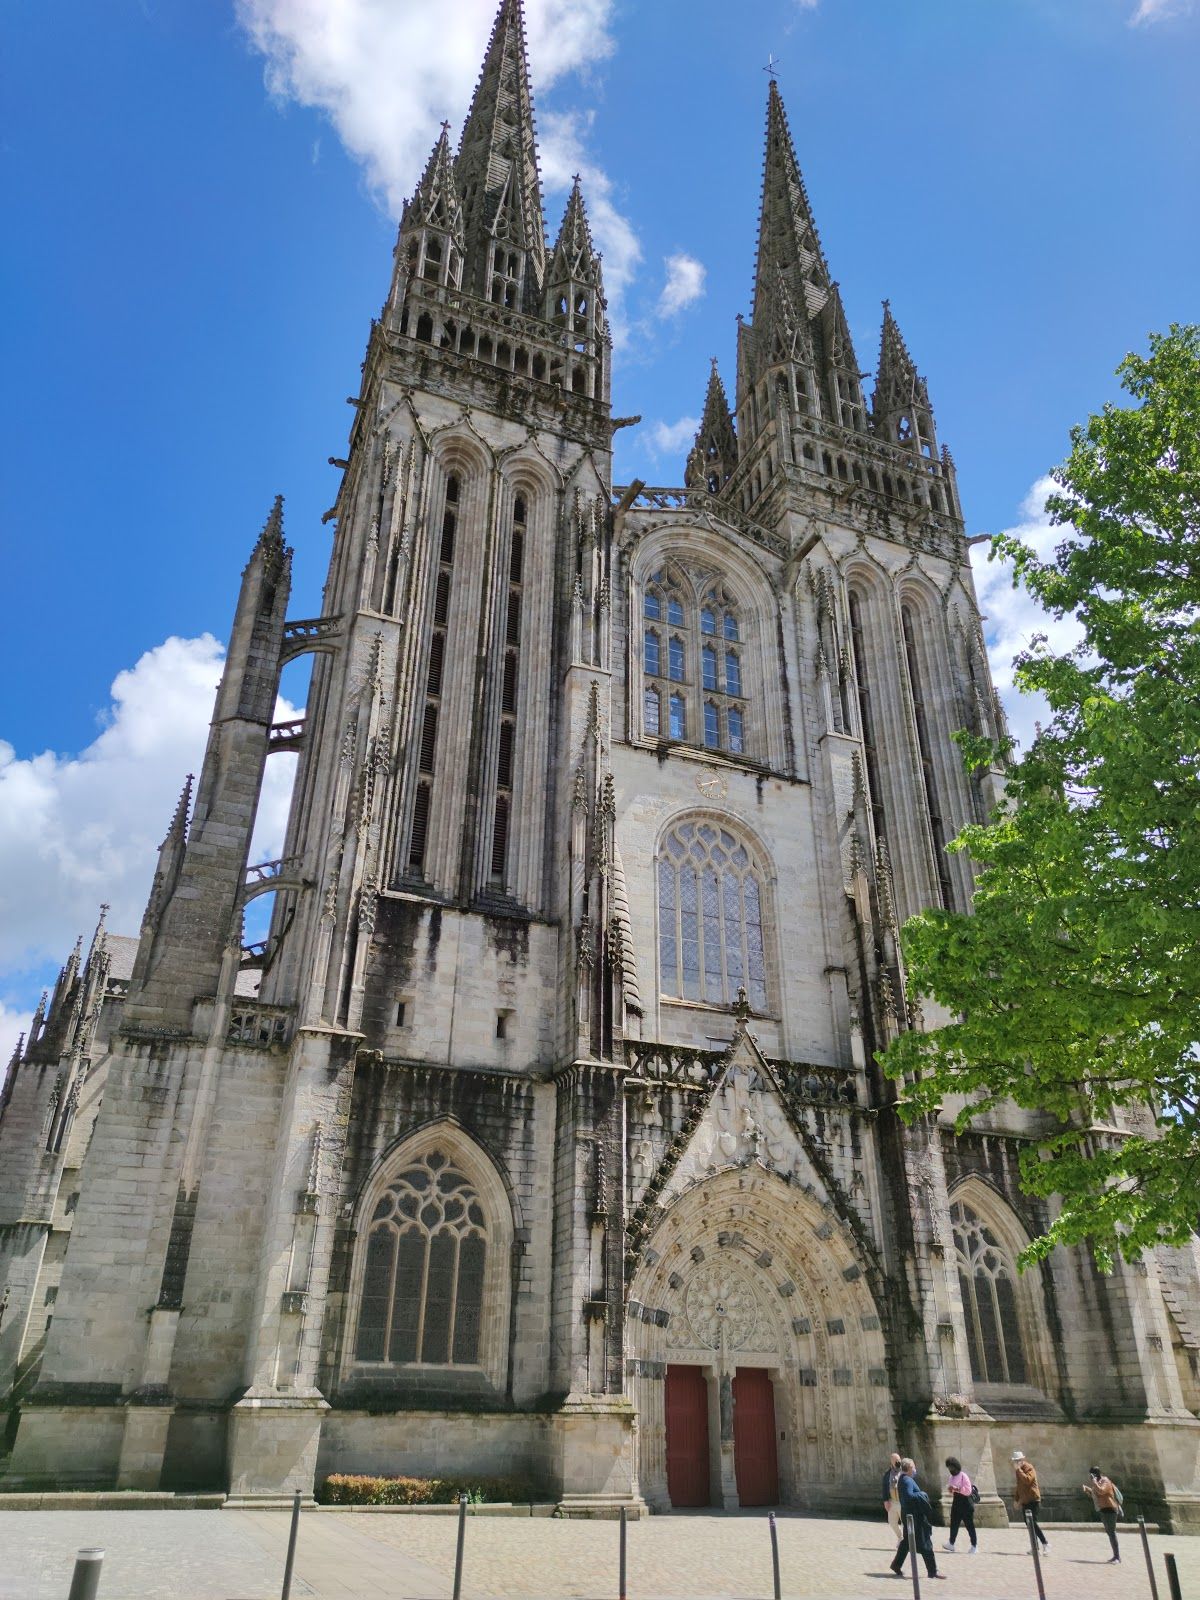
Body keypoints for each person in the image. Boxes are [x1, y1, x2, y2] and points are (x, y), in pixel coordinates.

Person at [889, 1458, 947, 1580]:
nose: (915, 1469)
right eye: (914, 1467)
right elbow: (909, 1496)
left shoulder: (903, 1479)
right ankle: (932, 1571)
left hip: (908, 1515)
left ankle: (896, 1564)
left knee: (907, 1543)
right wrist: (923, 1494)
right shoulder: (907, 1481)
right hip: (915, 1518)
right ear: (909, 1468)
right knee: (926, 1543)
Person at [1081, 1466, 1122, 1563]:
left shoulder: (1105, 1481)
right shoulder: (1098, 1483)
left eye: (1092, 1474)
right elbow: (1096, 1494)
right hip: (1103, 1509)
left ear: (1096, 1474)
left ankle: (1117, 1557)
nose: (1090, 1476)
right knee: (1109, 1533)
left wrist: (1094, 1482)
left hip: (1110, 1509)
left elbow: (1102, 1491)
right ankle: (1115, 1556)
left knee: (1112, 1532)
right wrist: (1088, 1490)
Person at [1012, 1450, 1049, 1554]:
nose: (1016, 1462)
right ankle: (1035, 1547)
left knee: (1033, 1523)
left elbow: (1027, 1480)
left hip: (1033, 1500)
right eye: (1015, 1460)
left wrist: (1019, 1470)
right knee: (1029, 1524)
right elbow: (1019, 1486)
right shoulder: (1018, 1471)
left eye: (1018, 1460)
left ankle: (1045, 1543)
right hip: (1025, 1500)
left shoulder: (1029, 1468)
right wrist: (1016, 1500)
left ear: (1022, 1459)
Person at [942, 1456, 978, 1554]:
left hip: (966, 1504)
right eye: (948, 1468)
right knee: (954, 1524)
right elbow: (951, 1489)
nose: (950, 1470)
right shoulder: (951, 1477)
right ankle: (951, 1543)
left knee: (969, 1525)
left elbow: (968, 1490)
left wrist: (957, 1489)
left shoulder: (963, 1476)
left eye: (951, 1467)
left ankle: (974, 1545)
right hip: (956, 1503)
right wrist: (950, 1489)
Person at [881, 1452, 903, 1541]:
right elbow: (884, 1486)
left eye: (898, 1460)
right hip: (892, 1501)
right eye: (895, 1460)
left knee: (905, 1522)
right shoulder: (888, 1473)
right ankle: (901, 1537)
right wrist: (886, 1500)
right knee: (892, 1522)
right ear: (891, 1462)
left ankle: (908, 1541)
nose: (897, 1462)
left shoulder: (904, 1471)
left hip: (902, 1501)